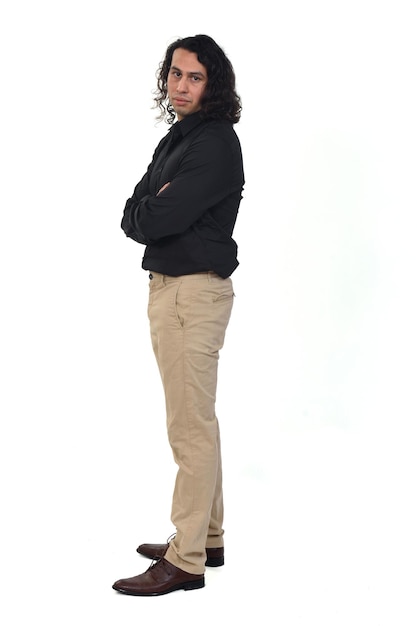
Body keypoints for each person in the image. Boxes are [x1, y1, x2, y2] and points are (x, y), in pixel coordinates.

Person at [112, 34, 244, 596]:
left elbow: (157, 216)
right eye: (175, 74)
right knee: (197, 421)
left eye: (194, 77)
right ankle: (206, 535)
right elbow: (134, 210)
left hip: (191, 293)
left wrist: (153, 208)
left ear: (212, 85)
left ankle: (185, 559)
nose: (181, 85)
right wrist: (151, 206)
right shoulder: (179, 138)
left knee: (188, 427)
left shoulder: (213, 144)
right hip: (172, 288)